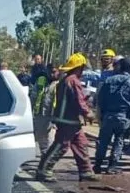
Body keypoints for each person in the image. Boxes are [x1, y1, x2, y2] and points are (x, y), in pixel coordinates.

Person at [34, 53, 98, 182]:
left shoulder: (66, 79)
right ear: (79, 67)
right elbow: (79, 100)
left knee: (81, 144)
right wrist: (88, 113)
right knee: (61, 146)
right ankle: (43, 170)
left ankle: (86, 171)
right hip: (67, 120)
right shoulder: (73, 81)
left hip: (71, 120)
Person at [93, 58, 130, 174]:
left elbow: (100, 99)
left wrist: (101, 114)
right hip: (124, 117)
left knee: (103, 141)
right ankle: (112, 166)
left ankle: (97, 165)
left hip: (108, 116)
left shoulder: (109, 80)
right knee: (119, 140)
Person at [33, 67, 61, 155]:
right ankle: (45, 155)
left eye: (55, 72)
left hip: (54, 116)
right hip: (40, 114)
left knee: (52, 138)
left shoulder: (60, 83)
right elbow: (33, 96)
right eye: (51, 72)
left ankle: (48, 156)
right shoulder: (41, 80)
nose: (53, 74)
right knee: (41, 136)